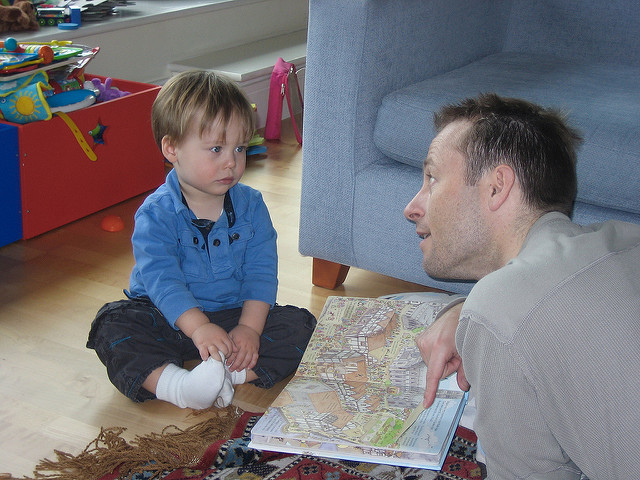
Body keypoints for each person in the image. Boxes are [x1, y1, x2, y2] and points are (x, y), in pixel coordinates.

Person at [404, 93, 640, 479]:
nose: (412, 206)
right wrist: (466, 309)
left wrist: (483, 311)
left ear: (497, 186)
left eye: (432, 177)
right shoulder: (626, 240)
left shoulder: (500, 310)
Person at [87, 71, 316, 410]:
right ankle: (179, 386)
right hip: (166, 317)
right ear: (171, 148)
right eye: (215, 149)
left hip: (232, 318)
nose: (231, 161)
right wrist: (198, 328)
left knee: (302, 326)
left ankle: (229, 375)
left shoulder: (251, 206)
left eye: (239, 147)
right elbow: (163, 282)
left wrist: (250, 329)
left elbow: (261, 274)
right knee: (112, 325)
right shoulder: (156, 214)